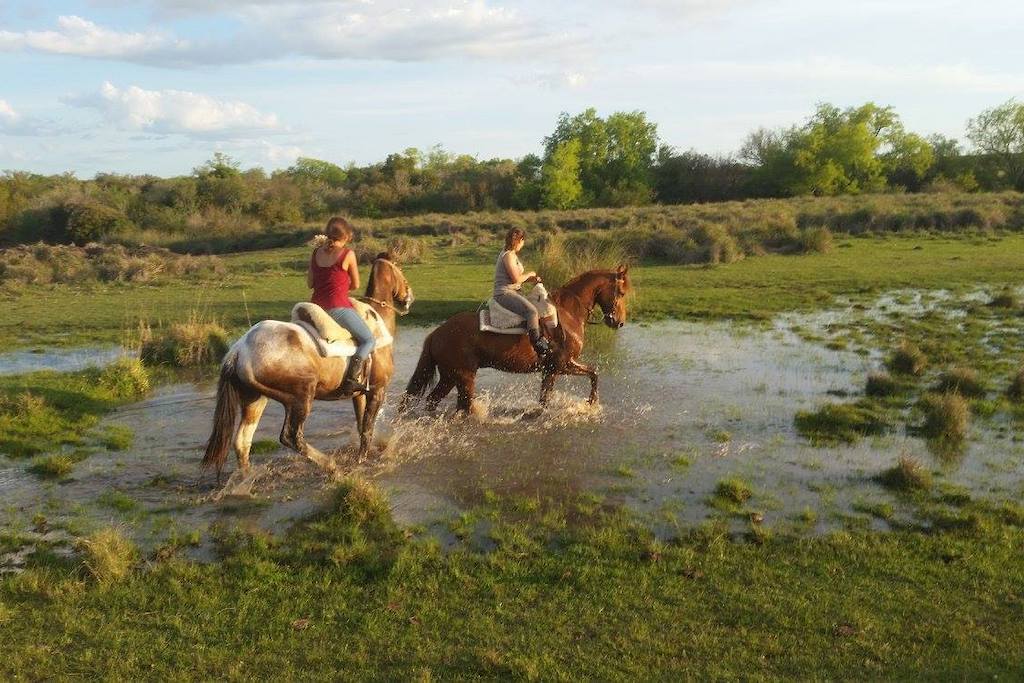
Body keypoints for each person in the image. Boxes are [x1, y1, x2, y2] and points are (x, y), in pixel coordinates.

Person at [307, 216, 375, 393]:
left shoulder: (315, 253)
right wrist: (343, 286)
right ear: (346, 237)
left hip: (316, 307)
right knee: (369, 339)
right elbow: (356, 285)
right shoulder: (347, 254)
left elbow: (310, 283)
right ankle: (352, 378)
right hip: (337, 308)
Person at [493, 227, 553, 358]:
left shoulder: (512, 255)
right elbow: (516, 279)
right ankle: (537, 344)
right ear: (519, 240)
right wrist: (530, 274)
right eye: (523, 241)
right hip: (504, 293)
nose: (523, 244)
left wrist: (531, 279)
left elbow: (516, 278)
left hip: (513, 291)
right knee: (531, 311)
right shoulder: (508, 255)